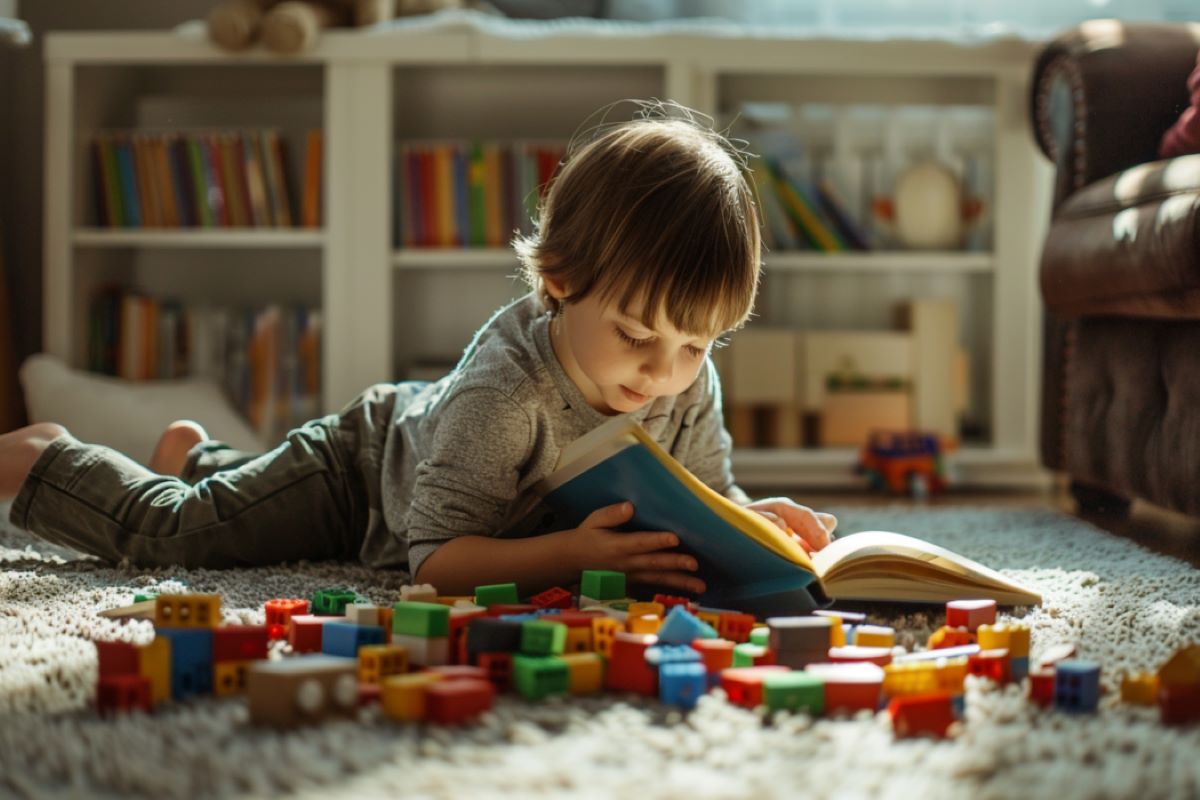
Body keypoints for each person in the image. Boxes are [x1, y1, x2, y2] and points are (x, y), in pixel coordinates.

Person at [0, 100, 835, 597]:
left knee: (235, 507)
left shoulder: (689, 381)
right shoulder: (505, 395)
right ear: (564, 279)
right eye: (637, 336)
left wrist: (746, 521)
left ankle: (204, 456)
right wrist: (571, 557)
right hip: (361, 476)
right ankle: (43, 458)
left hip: (423, 483)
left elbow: (705, 492)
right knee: (180, 537)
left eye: (697, 343)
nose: (664, 371)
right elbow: (434, 560)